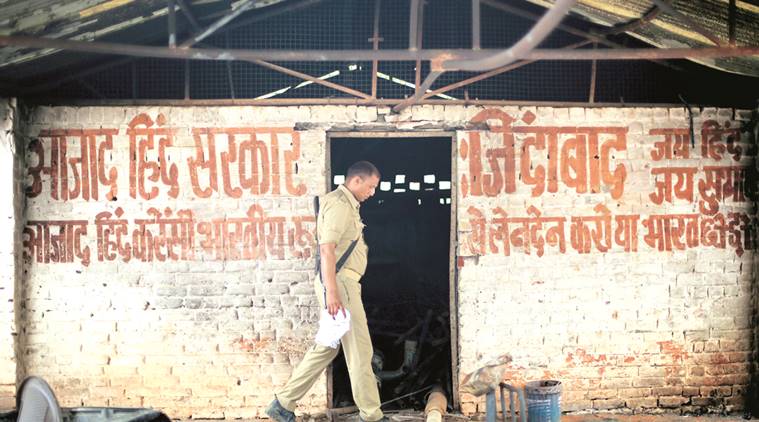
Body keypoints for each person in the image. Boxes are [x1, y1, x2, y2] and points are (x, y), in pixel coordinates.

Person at [267, 161, 386, 422]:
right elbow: (327, 250)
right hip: (340, 284)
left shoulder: (347, 205)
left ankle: (283, 403)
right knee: (360, 351)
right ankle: (372, 415)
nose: (372, 192)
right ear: (356, 181)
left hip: (341, 284)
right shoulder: (340, 205)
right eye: (371, 187)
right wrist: (332, 293)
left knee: (328, 348)